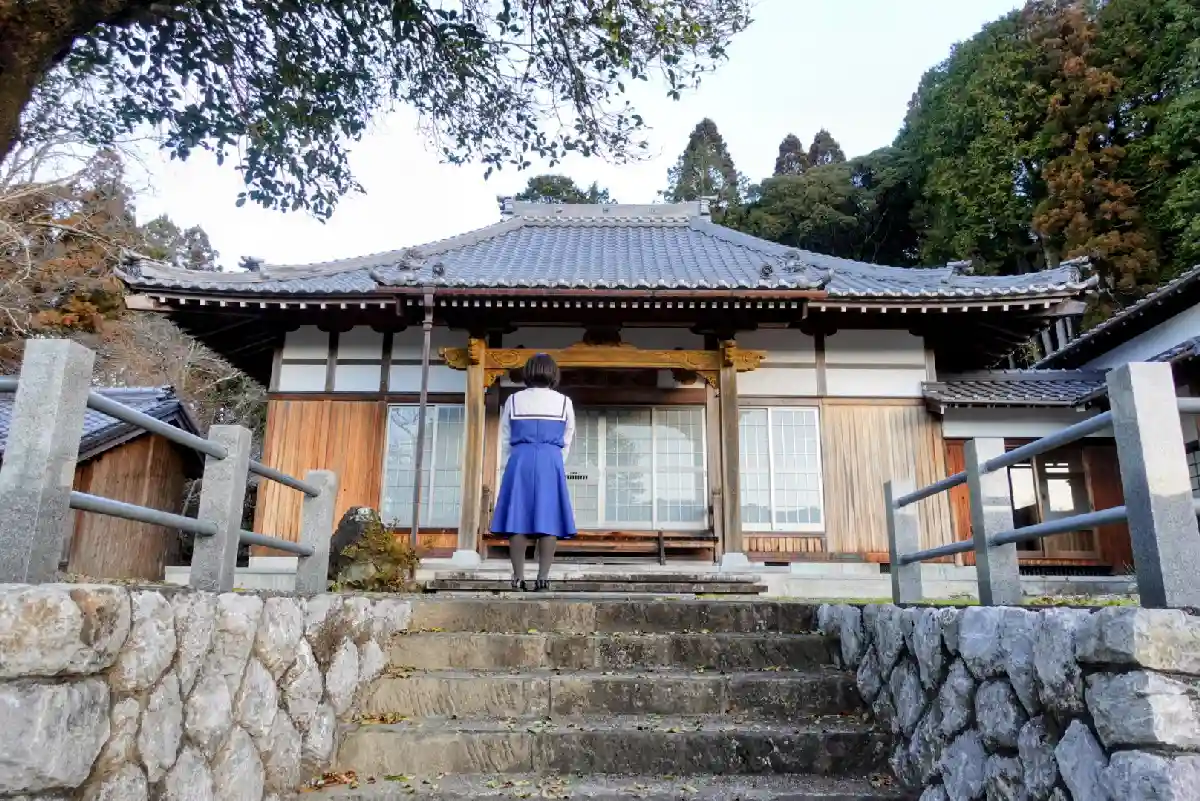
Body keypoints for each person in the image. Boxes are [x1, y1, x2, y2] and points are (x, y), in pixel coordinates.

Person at [490, 353, 576, 592]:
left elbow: (505, 436)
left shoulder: (514, 400)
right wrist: (556, 460)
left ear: (527, 372)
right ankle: (543, 578)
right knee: (549, 517)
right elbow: (568, 436)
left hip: (520, 458)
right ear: (553, 374)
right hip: (551, 458)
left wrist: (510, 462)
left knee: (517, 516)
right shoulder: (564, 402)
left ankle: (518, 577)